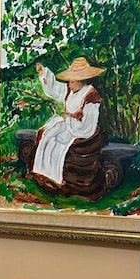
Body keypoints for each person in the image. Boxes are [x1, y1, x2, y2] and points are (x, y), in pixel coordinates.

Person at [30, 57, 106, 186]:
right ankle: (42, 172)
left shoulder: (91, 96)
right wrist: (44, 73)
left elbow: (87, 126)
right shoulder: (71, 91)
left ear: (80, 81)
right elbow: (55, 89)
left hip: (81, 130)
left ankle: (55, 177)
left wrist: (69, 120)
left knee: (59, 144)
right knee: (48, 136)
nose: (69, 85)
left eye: (71, 82)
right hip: (69, 125)